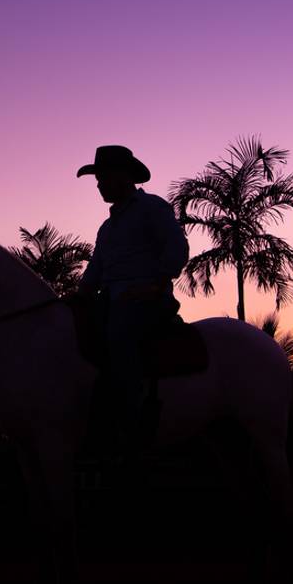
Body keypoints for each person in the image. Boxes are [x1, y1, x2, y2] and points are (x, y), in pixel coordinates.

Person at [75, 145, 189, 453]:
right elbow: (95, 270)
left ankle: (132, 419)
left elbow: (177, 248)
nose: (98, 183)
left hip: (147, 299)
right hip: (111, 300)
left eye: (103, 177)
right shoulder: (107, 228)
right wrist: (77, 297)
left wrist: (155, 284)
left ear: (124, 176)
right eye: (97, 178)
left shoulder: (152, 208)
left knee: (120, 335)